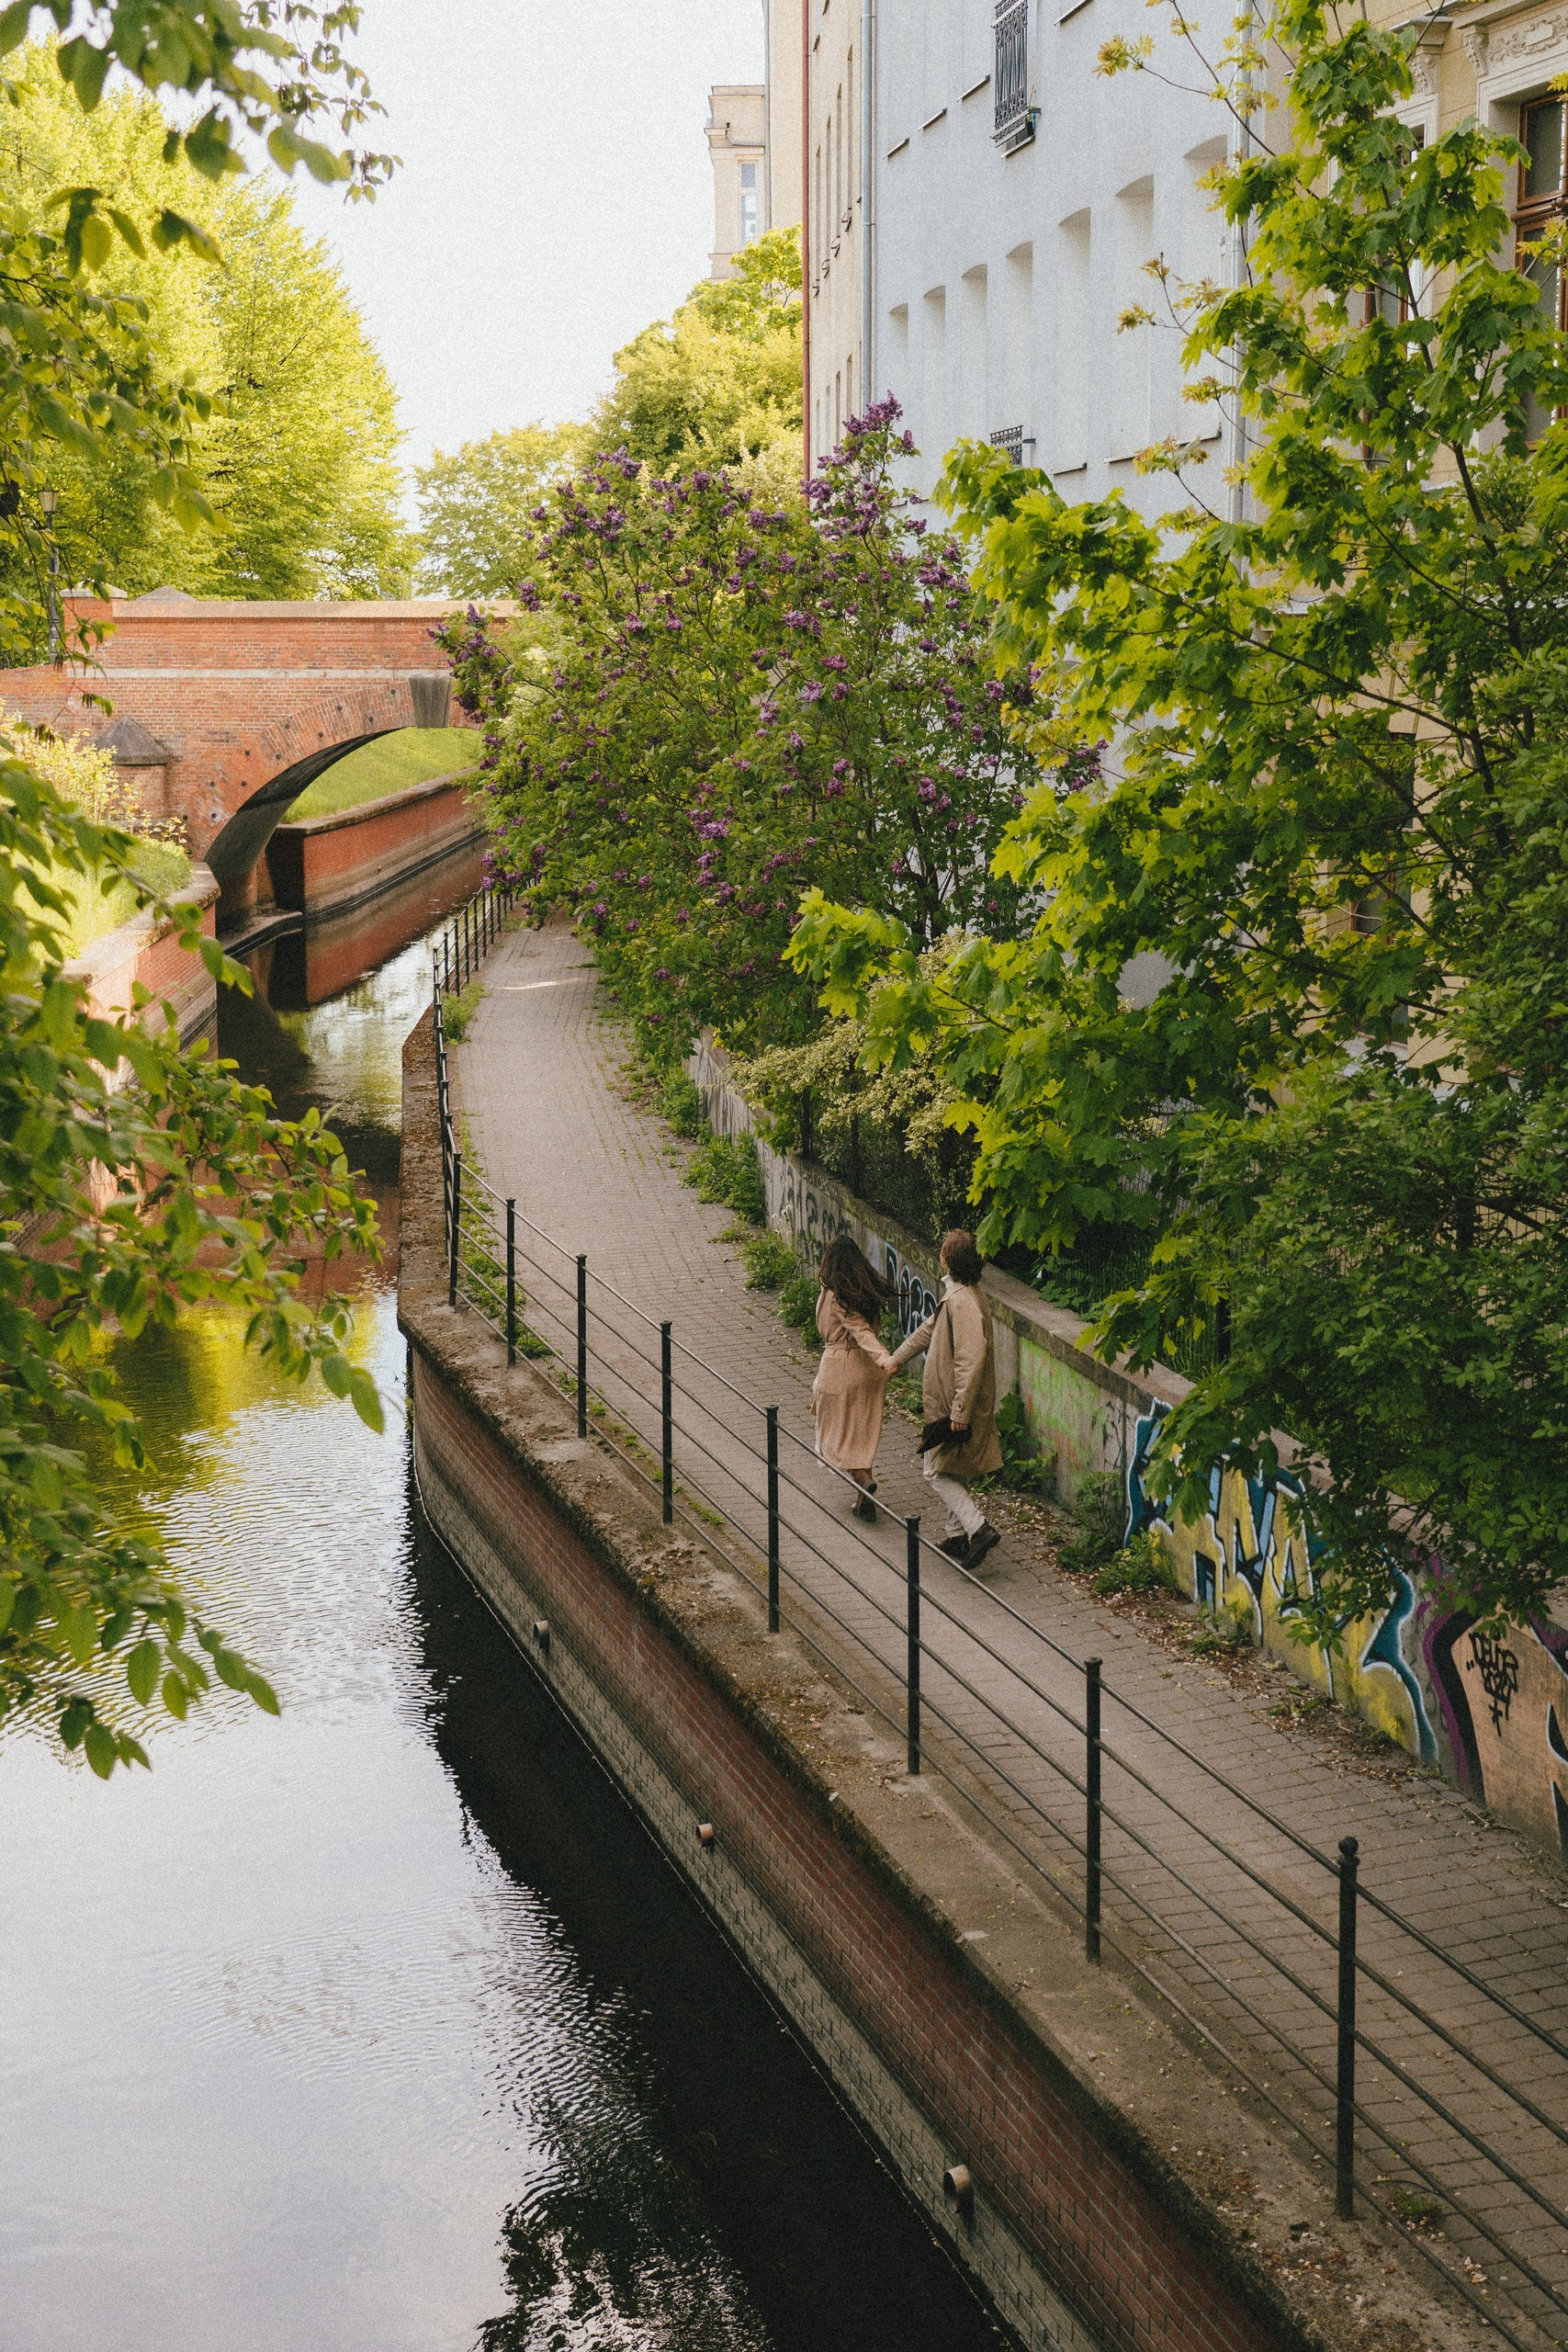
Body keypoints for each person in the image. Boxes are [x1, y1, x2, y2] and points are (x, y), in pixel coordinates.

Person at [890, 1229, 1002, 1571]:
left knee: (934, 1471)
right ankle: (956, 1536)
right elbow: (928, 1329)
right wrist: (895, 1360)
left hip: (956, 1404)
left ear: (948, 1260)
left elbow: (971, 1357)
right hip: (957, 1403)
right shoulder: (962, 1295)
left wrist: (959, 1411)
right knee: (954, 1464)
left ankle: (978, 1528)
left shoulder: (961, 1301)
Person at [812, 1236, 899, 1521]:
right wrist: (882, 1361)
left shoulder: (837, 1293)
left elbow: (859, 1329)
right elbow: (866, 1328)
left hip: (842, 1365)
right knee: (861, 1433)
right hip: (870, 1374)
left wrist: (885, 1357)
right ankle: (864, 1499)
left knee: (834, 1434)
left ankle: (861, 1478)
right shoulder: (862, 1291)